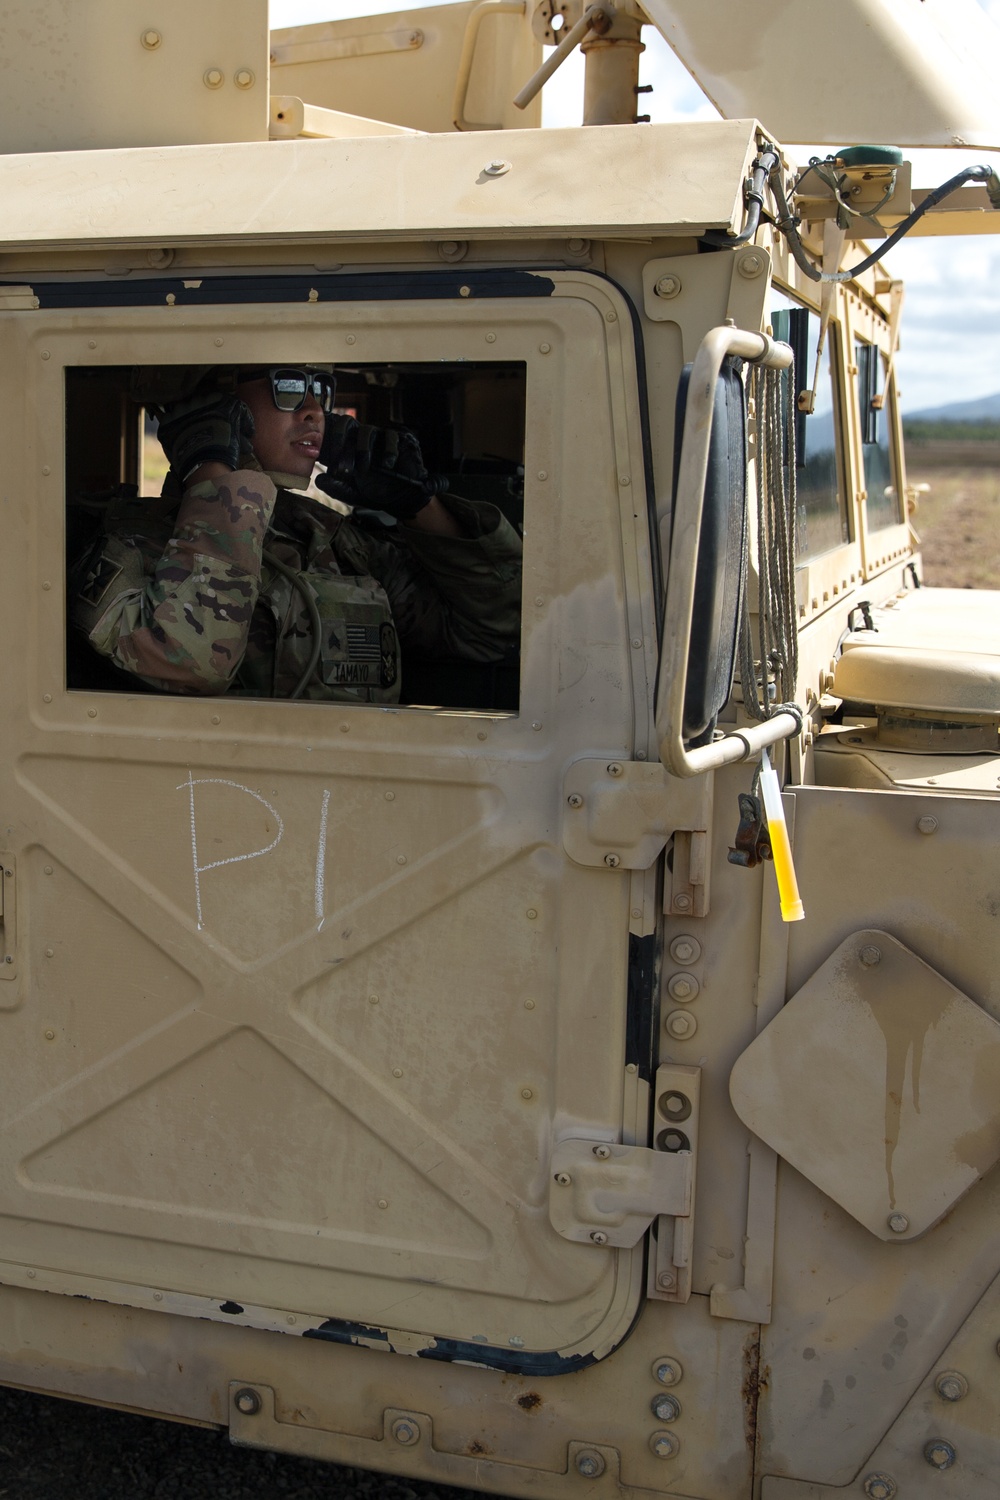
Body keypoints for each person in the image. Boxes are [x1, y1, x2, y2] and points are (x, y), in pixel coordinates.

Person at [71, 367, 522, 702]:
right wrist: (212, 469)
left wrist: (420, 507)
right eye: (288, 387)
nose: (314, 411)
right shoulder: (122, 543)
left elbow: (496, 628)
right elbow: (188, 666)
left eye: (320, 390)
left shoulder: (335, 542)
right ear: (212, 405)